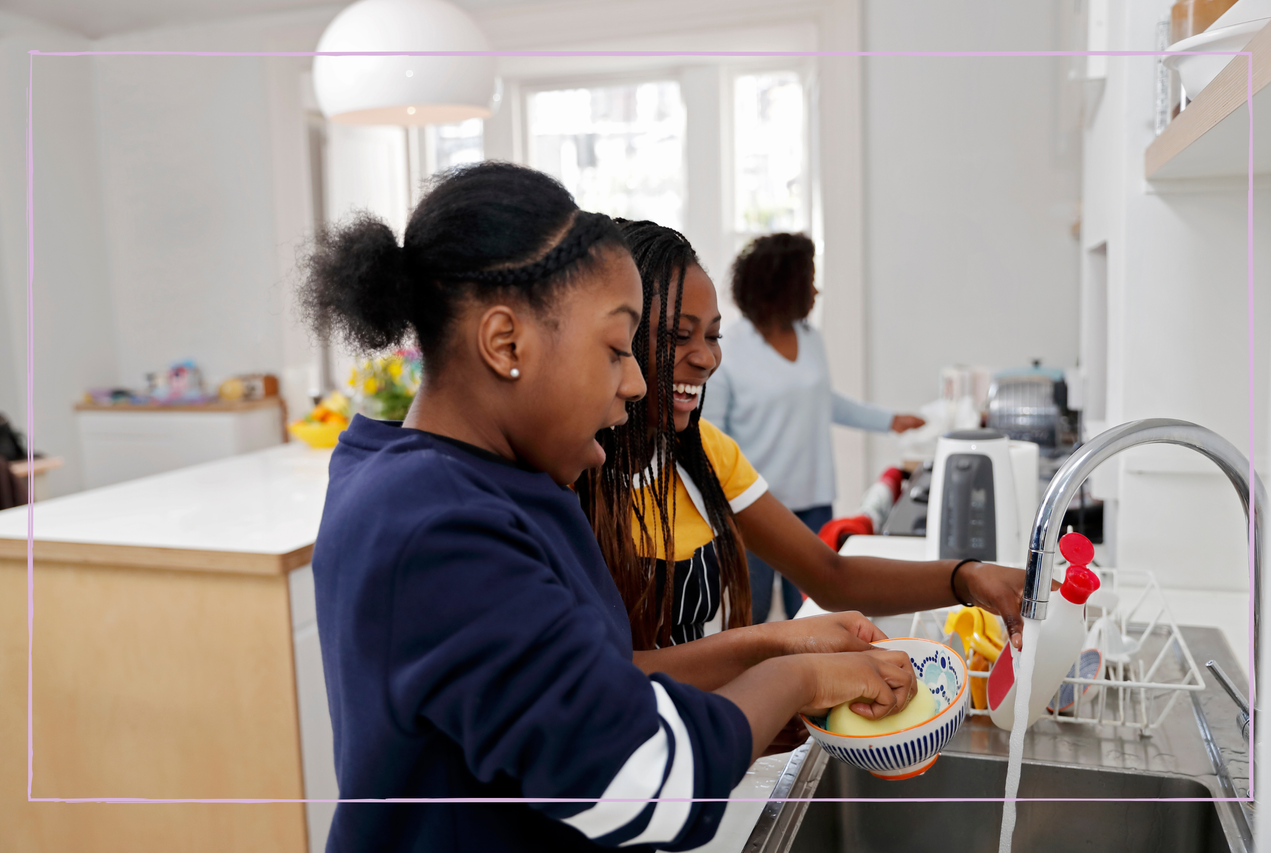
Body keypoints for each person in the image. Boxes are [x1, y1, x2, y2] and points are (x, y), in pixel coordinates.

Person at [300, 163, 917, 853]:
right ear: (507, 343)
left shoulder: (493, 486)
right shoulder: (432, 525)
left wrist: (773, 641)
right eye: (618, 348)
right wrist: (799, 674)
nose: (634, 380)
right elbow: (646, 783)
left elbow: (602, 680)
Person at [576, 221, 1032, 668]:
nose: (706, 357)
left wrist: (967, 577)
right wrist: (780, 663)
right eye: (679, 336)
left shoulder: (708, 453)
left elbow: (832, 575)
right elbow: (611, 674)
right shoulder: (568, 480)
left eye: (713, 336)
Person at [704, 233, 925, 623]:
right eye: (808, 280)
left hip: (813, 501)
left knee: (815, 612)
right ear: (783, 285)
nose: (816, 290)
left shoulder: (810, 338)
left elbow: (824, 401)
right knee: (750, 613)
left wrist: (889, 421)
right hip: (752, 506)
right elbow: (711, 436)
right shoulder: (731, 348)